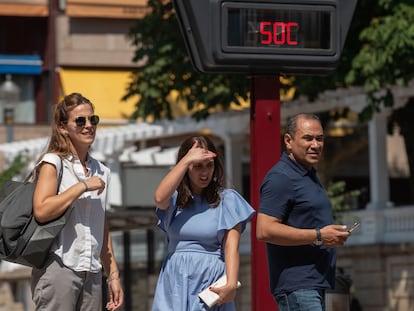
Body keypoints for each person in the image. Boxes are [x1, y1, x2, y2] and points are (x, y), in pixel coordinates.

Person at [31, 93, 124, 311]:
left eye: (93, 120)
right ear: (63, 127)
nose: (89, 125)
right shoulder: (53, 162)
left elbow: (102, 226)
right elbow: (42, 210)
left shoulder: (102, 170)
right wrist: (82, 186)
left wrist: (113, 275)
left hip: (92, 271)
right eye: (80, 121)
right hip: (58, 266)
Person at [256, 113, 352, 311]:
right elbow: (264, 230)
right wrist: (318, 236)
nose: (315, 145)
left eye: (320, 138)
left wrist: (331, 237)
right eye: (308, 138)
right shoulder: (281, 177)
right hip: (299, 287)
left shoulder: (308, 174)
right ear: (288, 141)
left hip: (317, 284)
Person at [152, 135, 255, 311]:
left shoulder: (227, 200)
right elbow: (159, 198)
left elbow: (232, 246)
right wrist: (186, 161)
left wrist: (231, 283)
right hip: (175, 279)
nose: (205, 172)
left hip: (210, 279)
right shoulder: (174, 199)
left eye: (209, 165)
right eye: (197, 166)